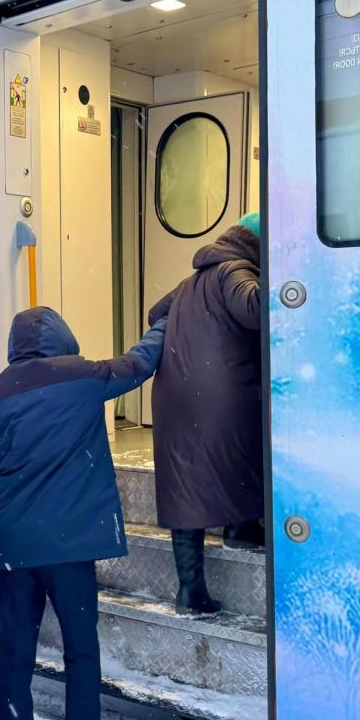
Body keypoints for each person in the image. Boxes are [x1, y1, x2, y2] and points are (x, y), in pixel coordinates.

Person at [0, 307, 165, 720]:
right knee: (80, 650)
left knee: (15, 652)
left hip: (17, 543)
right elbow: (140, 363)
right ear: (63, 336)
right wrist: (165, 323)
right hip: (70, 545)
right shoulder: (83, 375)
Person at [148, 212, 264, 616]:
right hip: (220, 392)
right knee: (247, 450)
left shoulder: (191, 281)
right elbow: (254, 308)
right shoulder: (235, 270)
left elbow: (155, 313)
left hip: (176, 393)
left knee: (185, 484)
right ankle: (239, 529)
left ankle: (191, 587)